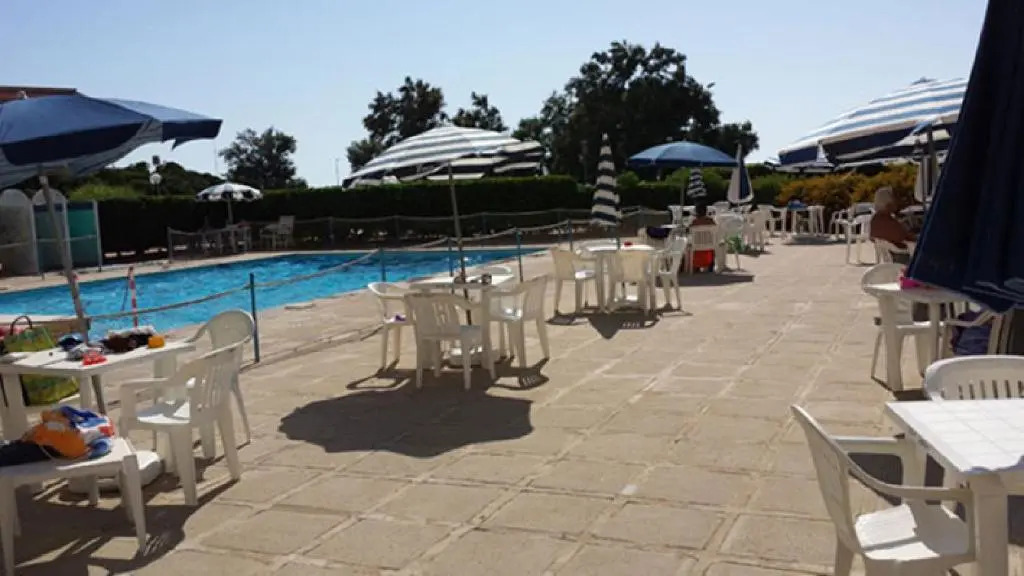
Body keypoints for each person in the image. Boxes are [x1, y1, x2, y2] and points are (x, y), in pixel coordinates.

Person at [869, 186, 916, 259]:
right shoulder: (886, 221)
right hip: (903, 257)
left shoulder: (877, 219)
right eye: (895, 199)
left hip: (894, 256)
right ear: (888, 203)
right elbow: (904, 237)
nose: (897, 202)